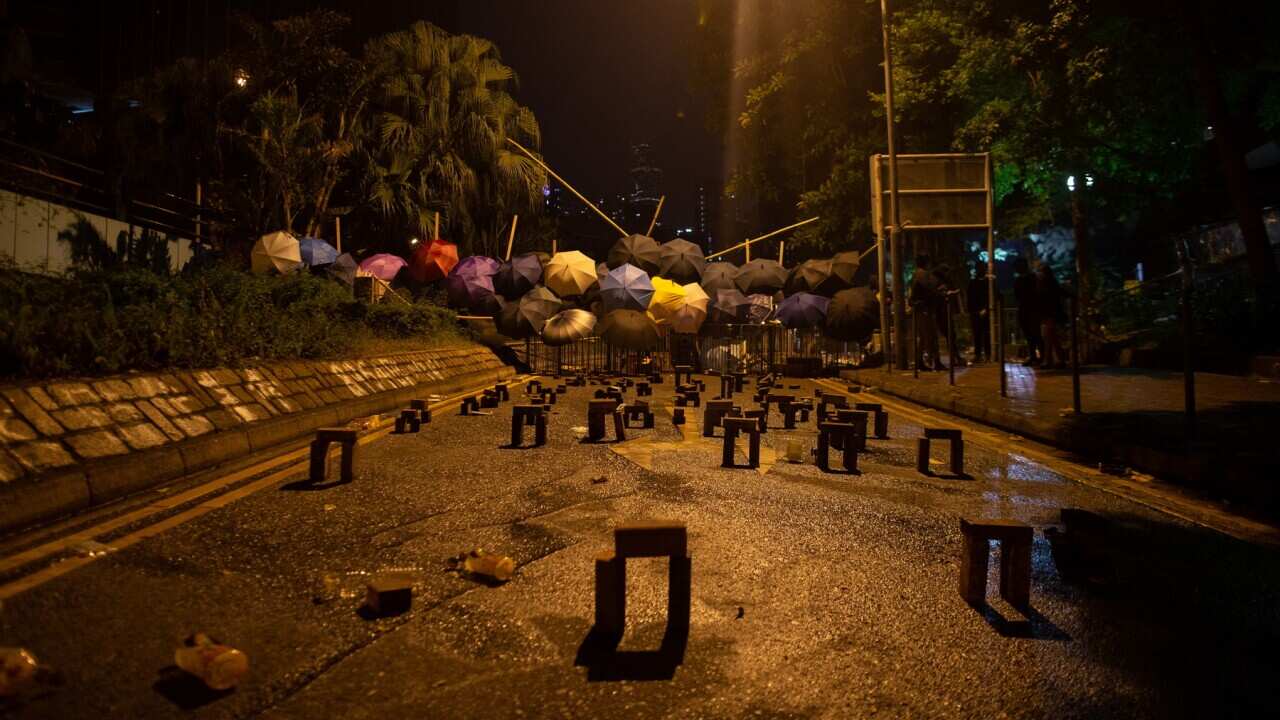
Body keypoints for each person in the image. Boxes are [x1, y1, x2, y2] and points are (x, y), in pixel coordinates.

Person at [909, 254, 947, 371]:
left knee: (924, 338)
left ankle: (920, 362)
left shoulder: (917, 273)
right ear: (926, 262)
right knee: (931, 336)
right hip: (924, 309)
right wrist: (940, 290)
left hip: (921, 309)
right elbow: (931, 287)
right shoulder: (922, 274)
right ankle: (935, 362)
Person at [1012, 258, 1043, 366]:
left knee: (1035, 334)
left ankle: (1040, 356)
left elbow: (1018, 295)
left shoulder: (1031, 278)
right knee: (1030, 335)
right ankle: (1035, 356)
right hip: (1025, 309)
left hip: (1031, 309)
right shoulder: (1023, 279)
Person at [1036, 263, 1068, 369]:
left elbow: (1050, 299)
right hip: (1048, 314)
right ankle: (1058, 359)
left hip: (1050, 314)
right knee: (1052, 337)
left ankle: (1049, 360)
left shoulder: (1047, 284)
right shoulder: (1047, 284)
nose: (1039, 274)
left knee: (1048, 337)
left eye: (1040, 272)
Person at [966, 261, 990, 363]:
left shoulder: (987, 282)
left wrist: (985, 308)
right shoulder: (975, 283)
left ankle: (985, 354)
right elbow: (970, 299)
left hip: (982, 312)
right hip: (976, 312)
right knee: (979, 334)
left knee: (985, 334)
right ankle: (979, 354)